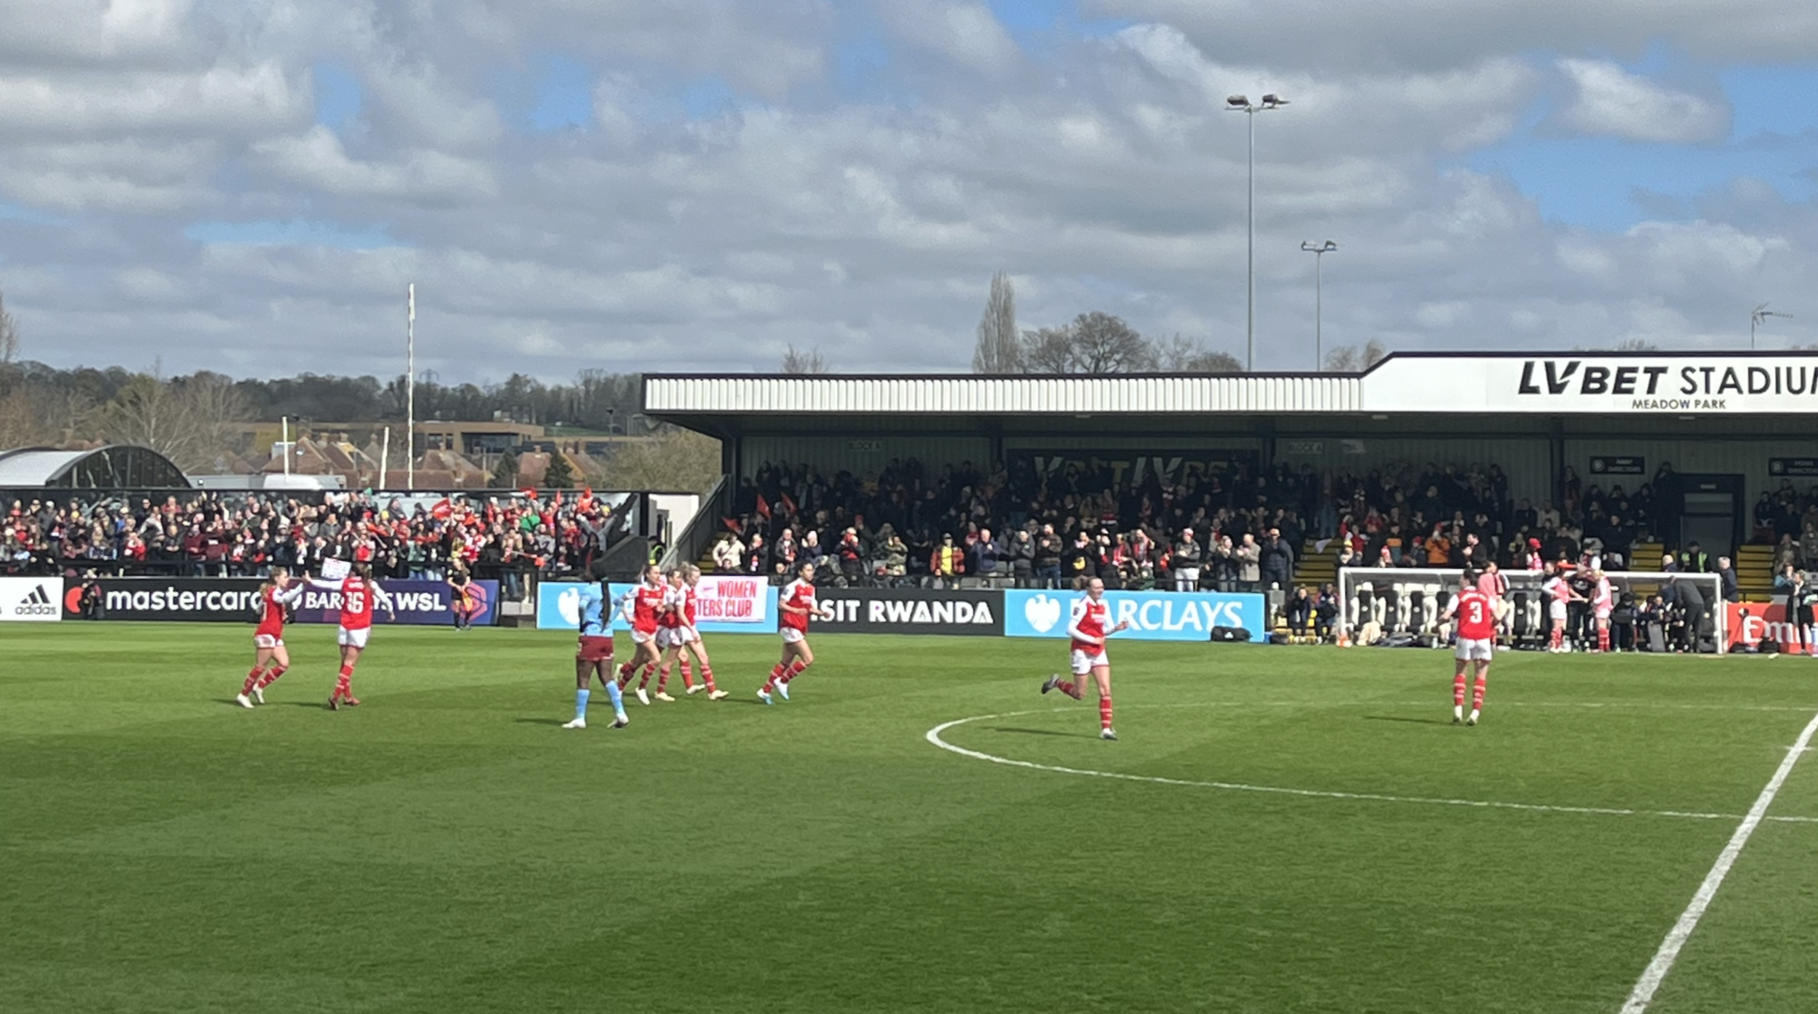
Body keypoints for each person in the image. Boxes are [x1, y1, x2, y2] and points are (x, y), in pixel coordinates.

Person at [1040, 576, 1130, 740]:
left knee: (1105, 690)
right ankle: (1057, 682)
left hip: (1098, 651)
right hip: (1081, 651)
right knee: (1079, 694)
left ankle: (1106, 729)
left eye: (1102, 587)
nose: (1100, 590)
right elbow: (1070, 629)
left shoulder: (1104, 604)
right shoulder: (1082, 605)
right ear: (1088, 589)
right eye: (1097, 588)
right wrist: (1091, 639)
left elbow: (1105, 630)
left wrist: (1117, 628)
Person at [308, 561, 395, 710]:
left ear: (353, 572)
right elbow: (384, 598)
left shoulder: (345, 583)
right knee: (350, 664)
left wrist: (310, 581)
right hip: (360, 627)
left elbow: (327, 585)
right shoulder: (369, 584)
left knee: (344, 663)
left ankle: (347, 696)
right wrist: (390, 611)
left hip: (344, 625)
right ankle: (335, 695)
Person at [562, 561, 629, 730]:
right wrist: (609, 620)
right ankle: (620, 712)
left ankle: (580, 717)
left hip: (591, 636)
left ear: (593, 573)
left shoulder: (589, 590)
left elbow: (582, 606)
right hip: (607, 637)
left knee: (583, 678)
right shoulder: (608, 591)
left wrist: (583, 622)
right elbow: (620, 604)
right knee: (606, 677)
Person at [760, 562, 830, 705]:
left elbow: (810, 608)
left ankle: (765, 690)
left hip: (799, 627)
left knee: (785, 662)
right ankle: (783, 681)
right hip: (790, 626)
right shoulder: (792, 586)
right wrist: (795, 611)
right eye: (808, 570)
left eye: (812, 570)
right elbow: (781, 604)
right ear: (800, 572)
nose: (811, 573)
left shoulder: (811, 589)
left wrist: (822, 613)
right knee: (808, 659)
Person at [236, 566, 305, 708]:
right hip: (266, 633)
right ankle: (243, 694)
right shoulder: (275, 593)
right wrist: (302, 585)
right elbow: (286, 597)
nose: (288, 579)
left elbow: (259, 608)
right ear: (277, 578)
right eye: (285, 576)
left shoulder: (270, 592)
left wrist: (276, 614)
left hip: (274, 633)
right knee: (260, 666)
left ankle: (259, 686)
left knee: (284, 664)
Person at [1440, 571, 1495, 725]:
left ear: (1466, 580)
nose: (1459, 581)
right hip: (1483, 637)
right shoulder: (1485, 597)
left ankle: (1458, 711)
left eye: (1461, 578)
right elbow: (1497, 616)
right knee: (1481, 675)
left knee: (1461, 672)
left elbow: (1446, 616)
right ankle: (1475, 713)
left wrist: (1436, 625)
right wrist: (1490, 627)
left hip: (1466, 636)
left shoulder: (1459, 596)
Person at [615, 564, 667, 705]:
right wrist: (627, 616)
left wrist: (660, 610)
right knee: (656, 658)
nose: (658, 576)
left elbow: (658, 611)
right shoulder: (639, 589)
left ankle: (619, 688)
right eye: (655, 573)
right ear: (647, 575)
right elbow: (619, 600)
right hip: (640, 629)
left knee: (638, 662)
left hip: (652, 629)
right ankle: (641, 688)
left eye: (659, 573)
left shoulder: (661, 590)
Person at [674, 564, 729, 700]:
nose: (698, 580)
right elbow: (680, 614)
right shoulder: (683, 592)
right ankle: (711, 691)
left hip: (688, 627)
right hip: (683, 628)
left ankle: (703, 689)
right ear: (688, 577)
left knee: (691, 657)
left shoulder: (691, 590)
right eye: (695, 577)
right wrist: (692, 629)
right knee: (700, 657)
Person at [1542, 563, 1583, 653]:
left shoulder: (1563, 581)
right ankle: (1553, 644)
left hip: (1563, 603)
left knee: (1561, 625)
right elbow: (1545, 587)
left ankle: (1558, 644)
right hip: (1557, 603)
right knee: (1556, 624)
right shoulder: (1555, 580)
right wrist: (1555, 593)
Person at [1589, 566, 1614, 653]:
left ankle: (1601, 647)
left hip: (1602, 607)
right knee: (1604, 627)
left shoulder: (1601, 583)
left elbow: (1604, 595)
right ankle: (1606, 645)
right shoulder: (1606, 582)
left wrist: (1595, 601)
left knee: (1601, 627)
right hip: (1606, 607)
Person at [447, 563, 479, 631]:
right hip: (456, 591)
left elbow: (468, 579)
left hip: (465, 591)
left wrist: (464, 586)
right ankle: (457, 626)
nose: (455, 564)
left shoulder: (465, 570)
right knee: (457, 607)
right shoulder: (452, 571)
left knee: (469, 607)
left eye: (456, 562)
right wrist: (456, 586)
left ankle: (466, 622)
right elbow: (449, 581)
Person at [1172, 528, 1201, 592]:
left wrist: (1185, 556)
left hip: (1191, 569)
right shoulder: (1179, 544)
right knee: (1179, 589)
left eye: (1186, 535)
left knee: (1191, 589)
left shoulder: (1195, 545)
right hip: (1180, 568)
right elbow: (1176, 555)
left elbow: (1196, 557)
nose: (1184, 537)